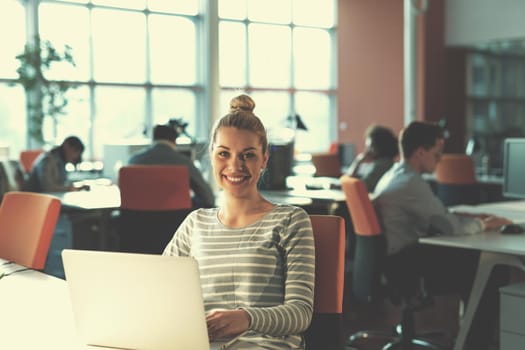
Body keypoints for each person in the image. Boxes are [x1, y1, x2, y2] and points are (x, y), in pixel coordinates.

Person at [163, 94, 315, 349]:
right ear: (211, 156)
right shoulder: (195, 224)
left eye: (248, 155)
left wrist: (248, 318)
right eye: (224, 153)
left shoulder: (290, 220)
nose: (235, 165)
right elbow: (159, 290)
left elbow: (300, 313)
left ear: (264, 159)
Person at [373, 121, 512, 350]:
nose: (439, 160)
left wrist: (460, 214)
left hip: (396, 261)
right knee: (490, 268)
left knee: (477, 263)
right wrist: (485, 224)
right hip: (407, 266)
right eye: (437, 154)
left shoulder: (395, 174)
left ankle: (471, 337)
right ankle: (476, 343)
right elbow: (452, 228)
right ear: (420, 152)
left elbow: (436, 215)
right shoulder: (411, 183)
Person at [128, 124, 215, 208]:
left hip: (138, 219)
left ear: (153, 138)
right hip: (177, 219)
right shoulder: (184, 163)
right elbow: (208, 198)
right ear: (174, 140)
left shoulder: (134, 161)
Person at [346, 124, 398, 192]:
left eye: (370, 147)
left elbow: (356, 188)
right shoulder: (383, 163)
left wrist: (358, 162)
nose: (367, 150)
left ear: (380, 146)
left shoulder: (382, 165)